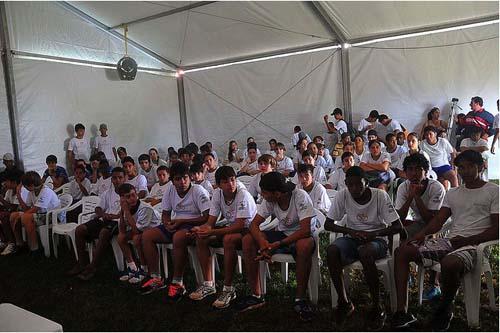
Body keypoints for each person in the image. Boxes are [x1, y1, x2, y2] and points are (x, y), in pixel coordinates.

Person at [392, 150, 498, 331]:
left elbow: (497, 229)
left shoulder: (494, 191)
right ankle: (402, 312)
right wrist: (420, 235)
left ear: (481, 167)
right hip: (451, 241)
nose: (463, 172)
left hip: (475, 245)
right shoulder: (454, 193)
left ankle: (444, 309)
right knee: (402, 251)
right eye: (460, 168)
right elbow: (438, 222)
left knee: (449, 263)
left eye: (469, 167)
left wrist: (467, 240)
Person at [325, 166, 403, 329]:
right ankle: (344, 301)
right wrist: (350, 231)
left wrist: (374, 234)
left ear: (366, 183)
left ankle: (377, 305)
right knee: (332, 250)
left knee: (365, 252)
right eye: (350, 185)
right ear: (345, 183)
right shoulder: (343, 195)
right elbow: (328, 224)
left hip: (377, 240)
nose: (354, 189)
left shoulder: (379, 195)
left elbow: (397, 226)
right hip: (353, 238)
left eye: (358, 185)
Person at [236, 172, 316, 322]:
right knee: (248, 240)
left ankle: (300, 299)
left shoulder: (300, 196)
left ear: (277, 193)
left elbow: (305, 230)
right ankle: (256, 295)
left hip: (301, 236)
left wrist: (277, 245)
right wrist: (263, 243)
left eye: (265, 193)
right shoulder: (270, 200)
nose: (262, 195)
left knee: (304, 245)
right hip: (282, 234)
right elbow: (254, 225)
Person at [139, 162, 211, 297]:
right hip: (176, 223)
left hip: (193, 224)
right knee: (147, 236)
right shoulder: (170, 190)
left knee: (178, 237)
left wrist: (181, 221)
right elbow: (165, 213)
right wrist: (167, 224)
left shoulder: (198, 191)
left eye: (185, 178)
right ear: (172, 181)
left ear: (190, 177)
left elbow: (207, 217)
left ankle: (178, 282)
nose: (182, 182)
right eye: (178, 179)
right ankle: (156, 277)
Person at [189, 166, 257, 308]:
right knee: (201, 238)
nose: (230, 184)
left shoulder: (242, 194)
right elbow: (210, 222)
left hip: (249, 231)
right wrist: (201, 229)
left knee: (228, 239)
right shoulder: (217, 194)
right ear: (219, 185)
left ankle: (228, 289)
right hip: (232, 228)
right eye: (225, 182)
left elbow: (240, 225)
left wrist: (212, 232)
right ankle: (208, 284)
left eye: (232, 180)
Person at [66, 167, 126, 280]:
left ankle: (92, 267)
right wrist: (103, 214)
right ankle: (81, 263)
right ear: (111, 179)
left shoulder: (128, 193)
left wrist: (113, 216)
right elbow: (98, 208)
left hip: (119, 222)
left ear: (124, 178)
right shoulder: (108, 193)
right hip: (105, 218)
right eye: (114, 178)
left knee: (104, 232)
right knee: (79, 229)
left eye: (120, 177)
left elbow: (127, 213)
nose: (117, 180)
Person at [117, 183, 161, 284]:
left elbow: (137, 231)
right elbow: (122, 230)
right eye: (128, 197)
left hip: (154, 230)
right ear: (122, 199)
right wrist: (122, 211)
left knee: (136, 238)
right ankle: (132, 267)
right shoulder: (126, 207)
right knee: (121, 237)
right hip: (140, 229)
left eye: (133, 195)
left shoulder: (144, 208)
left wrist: (127, 212)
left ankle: (143, 268)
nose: (132, 198)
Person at [9, 171, 61, 254]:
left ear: (32, 185)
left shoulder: (46, 191)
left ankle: (34, 249)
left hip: (51, 216)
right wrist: (18, 195)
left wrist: (22, 216)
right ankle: (20, 244)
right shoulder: (32, 192)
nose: (24, 188)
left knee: (26, 217)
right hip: (40, 214)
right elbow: (26, 208)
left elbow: (35, 209)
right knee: (13, 215)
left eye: (25, 186)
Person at [0, 170, 29, 255]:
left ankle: (12, 243)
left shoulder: (21, 190)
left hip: (23, 213)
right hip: (13, 212)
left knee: (4, 216)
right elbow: (5, 205)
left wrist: (1, 199)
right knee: (2, 214)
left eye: (6, 181)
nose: (4, 183)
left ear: (14, 182)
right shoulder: (9, 191)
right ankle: (4, 241)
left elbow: (14, 207)